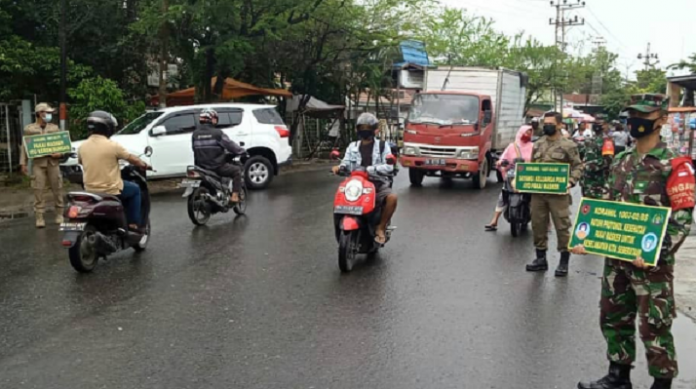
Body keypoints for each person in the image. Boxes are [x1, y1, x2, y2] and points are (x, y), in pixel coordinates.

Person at [574, 94, 695, 389]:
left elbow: (682, 219)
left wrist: (654, 253)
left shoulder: (675, 165)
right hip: (616, 260)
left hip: (650, 266)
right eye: (632, 115)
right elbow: (608, 207)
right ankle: (618, 376)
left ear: (662, 119)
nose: (635, 122)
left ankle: (661, 382)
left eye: (644, 115)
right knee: (613, 316)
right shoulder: (621, 160)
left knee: (655, 324)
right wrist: (588, 237)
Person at [525, 111, 583, 277]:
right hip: (538, 194)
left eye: (551, 123)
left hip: (559, 195)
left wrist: (570, 182)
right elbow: (532, 167)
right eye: (545, 123)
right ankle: (540, 259)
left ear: (559, 125)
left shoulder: (568, 145)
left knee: (562, 227)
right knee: (538, 225)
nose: (547, 125)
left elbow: (578, 166)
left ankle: (564, 261)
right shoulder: (538, 144)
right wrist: (522, 181)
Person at [78, 111, 150, 232]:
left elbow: (81, 162)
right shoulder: (113, 146)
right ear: (107, 127)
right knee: (135, 190)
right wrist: (144, 165)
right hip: (110, 190)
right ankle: (133, 223)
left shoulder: (82, 146)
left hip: (90, 190)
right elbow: (132, 159)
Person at [332, 113, 397, 244]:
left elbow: (389, 166)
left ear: (375, 130)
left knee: (392, 198)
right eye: (362, 128)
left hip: (377, 182)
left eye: (367, 128)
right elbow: (346, 162)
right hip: (355, 183)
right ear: (357, 130)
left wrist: (371, 169)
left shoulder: (383, 146)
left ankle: (380, 227)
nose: (364, 131)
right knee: (340, 198)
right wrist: (340, 167)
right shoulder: (352, 146)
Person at [19, 103, 65, 228]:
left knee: (57, 189)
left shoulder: (54, 128)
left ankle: (59, 214)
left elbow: (62, 143)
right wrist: (23, 162)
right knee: (38, 190)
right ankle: (39, 217)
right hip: (38, 163)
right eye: (47, 112)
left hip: (53, 163)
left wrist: (60, 154)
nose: (49, 115)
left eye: (50, 113)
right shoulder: (30, 129)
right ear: (40, 113)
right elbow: (25, 146)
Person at [484, 125, 533, 231]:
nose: (528, 134)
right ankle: (494, 220)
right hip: (513, 175)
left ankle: (547, 223)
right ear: (520, 133)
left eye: (530, 132)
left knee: (538, 198)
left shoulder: (533, 147)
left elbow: (539, 159)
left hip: (529, 176)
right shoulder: (512, 147)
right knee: (503, 195)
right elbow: (503, 157)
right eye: (526, 132)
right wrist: (500, 162)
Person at [192, 108, 246, 203]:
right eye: (215, 118)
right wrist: (241, 151)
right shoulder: (217, 133)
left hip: (201, 167)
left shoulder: (195, 134)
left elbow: (194, 149)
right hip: (216, 166)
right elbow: (230, 145)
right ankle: (234, 196)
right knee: (237, 171)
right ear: (212, 119)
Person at [581, 121, 614, 199]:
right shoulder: (591, 140)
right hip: (587, 181)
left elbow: (608, 161)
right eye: (595, 123)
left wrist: (589, 166)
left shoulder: (607, 141)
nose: (597, 126)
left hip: (598, 181)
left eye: (600, 123)